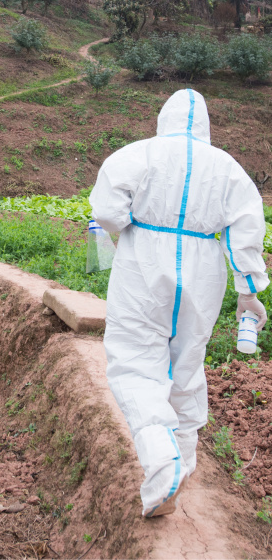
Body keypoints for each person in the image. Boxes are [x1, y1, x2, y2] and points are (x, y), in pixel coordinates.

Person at [89, 88, 268, 519]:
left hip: (144, 262)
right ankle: (182, 465)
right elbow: (245, 230)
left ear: (163, 118)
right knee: (187, 365)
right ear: (205, 125)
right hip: (204, 268)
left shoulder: (137, 154)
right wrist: (249, 291)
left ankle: (161, 459)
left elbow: (109, 213)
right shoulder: (228, 169)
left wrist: (135, 220)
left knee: (134, 359)